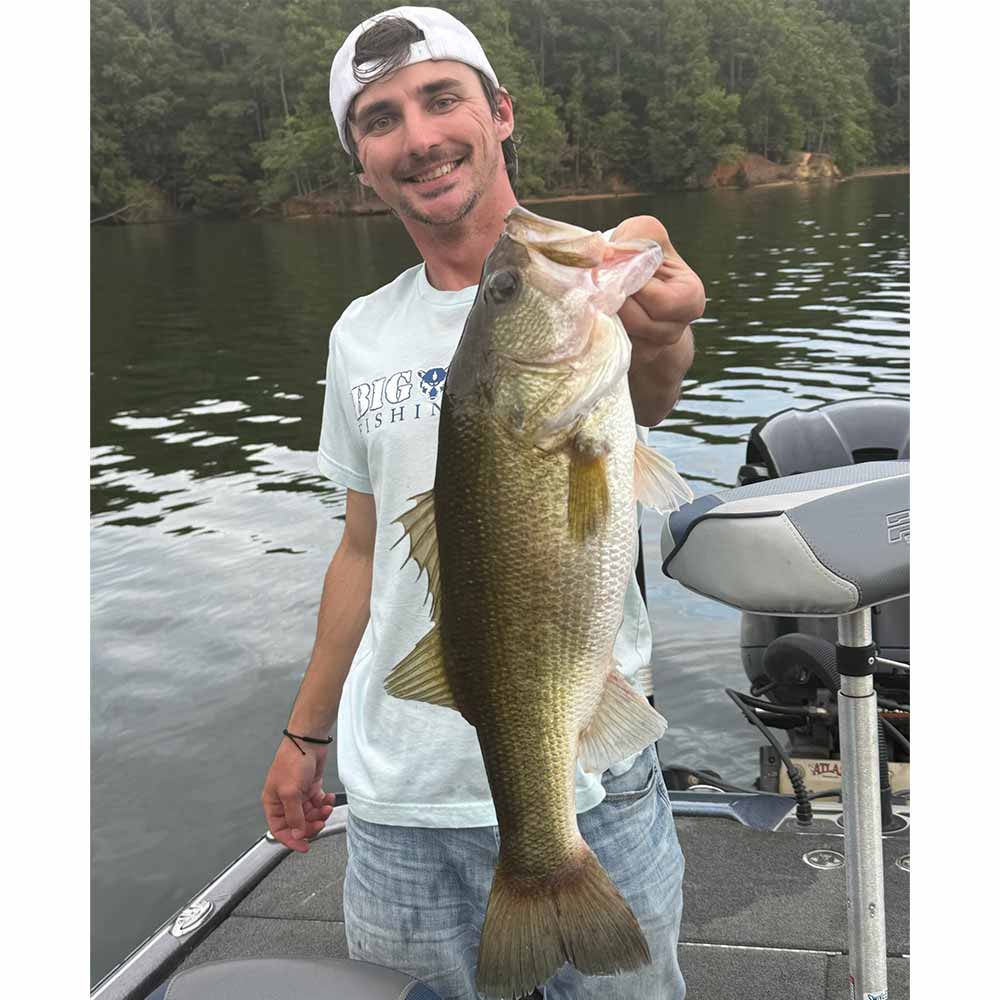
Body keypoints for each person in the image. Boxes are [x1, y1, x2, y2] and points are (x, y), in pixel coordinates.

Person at [260, 7, 705, 999]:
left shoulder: (581, 283)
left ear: (499, 112)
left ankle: (548, 859)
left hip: (595, 792)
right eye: (379, 120)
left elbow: (651, 373)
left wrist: (666, 326)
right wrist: (305, 735)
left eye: (440, 97)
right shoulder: (359, 334)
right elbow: (360, 550)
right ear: (363, 165)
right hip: (399, 804)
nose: (417, 136)